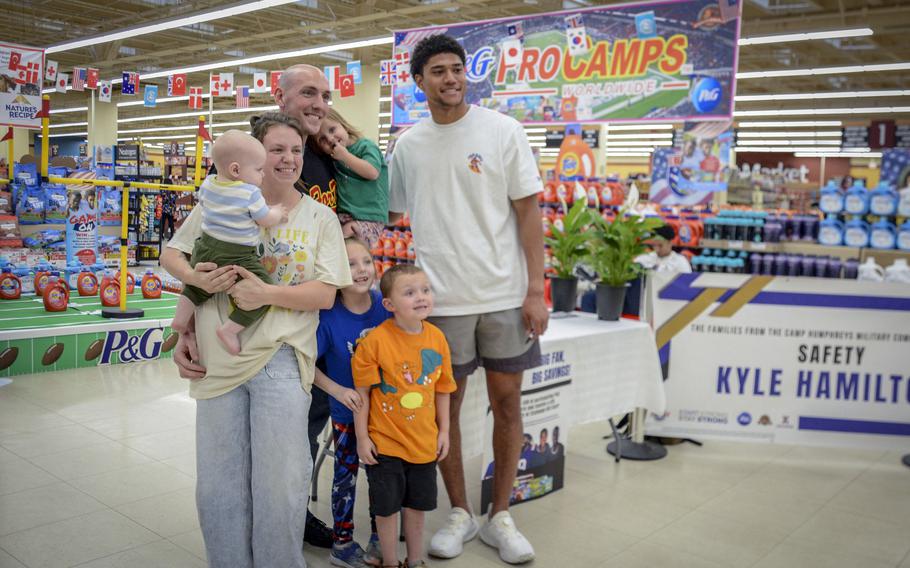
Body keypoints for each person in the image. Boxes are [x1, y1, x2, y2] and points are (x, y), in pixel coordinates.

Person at [160, 112, 352, 568]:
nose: (287, 159)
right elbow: (174, 253)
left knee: (281, 482)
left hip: (282, 360)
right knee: (219, 481)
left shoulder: (319, 217)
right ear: (251, 157)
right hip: (216, 362)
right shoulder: (216, 203)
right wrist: (193, 284)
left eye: (296, 150)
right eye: (276, 149)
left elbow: (325, 294)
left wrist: (265, 292)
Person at [388, 34, 549, 565]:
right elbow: (387, 214)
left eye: (457, 69)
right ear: (419, 81)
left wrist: (534, 288)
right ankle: (460, 511)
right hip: (439, 303)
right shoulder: (408, 146)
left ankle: (500, 513)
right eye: (438, 71)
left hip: (504, 295)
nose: (451, 78)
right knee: (445, 411)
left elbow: (529, 213)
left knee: (507, 405)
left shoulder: (503, 131)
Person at [273, 64, 342, 547]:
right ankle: (279, 515)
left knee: (312, 414)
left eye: (324, 94)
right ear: (281, 98)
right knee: (283, 423)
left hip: (321, 311)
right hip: (275, 319)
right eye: (307, 93)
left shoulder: (324, 155)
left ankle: (294, 512)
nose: (318, 102)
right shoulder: (264, 152)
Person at [352, 264, 456, 568]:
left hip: (424, 443)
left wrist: (445, 431)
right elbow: (362, 395)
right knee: (385, 510)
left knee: (417, 507)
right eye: (410, 292)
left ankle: (415, 559)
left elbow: (443, 389)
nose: (421, 297)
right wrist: (362, 438)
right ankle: (390, 561)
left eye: (425, 290)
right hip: (385, 445)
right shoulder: (374, 342)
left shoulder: (437, 339)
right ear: (389, 304)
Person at [171, 131, 288, 355]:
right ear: (236, 170)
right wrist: (277, 213)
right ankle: (230, 330)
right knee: (262, 290)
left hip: (205, 246)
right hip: (237, 253)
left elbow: (204, 207)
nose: (262, 175)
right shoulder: (250, 193)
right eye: (258, 169)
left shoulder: (208, 184)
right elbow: (264, 219)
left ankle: (180, 318)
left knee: (197, 287)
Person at [315, 237, 391, 568]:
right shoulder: (327, 315)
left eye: (365, 261)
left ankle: (380, 536)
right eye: (350, 264)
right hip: (347, 414)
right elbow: (307, 365)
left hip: (386, 417)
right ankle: (342, 543)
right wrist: (337, 390)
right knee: (345, 476)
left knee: (383, 478)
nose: (360, 270)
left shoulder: (385, 306)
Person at [311, 109, 389, 249]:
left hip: (369, 217)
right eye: (322, 139)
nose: (330, 139)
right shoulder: (333, 158)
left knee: (344, 243)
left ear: (344, 125)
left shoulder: (365, 146)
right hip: (345, 216)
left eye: (332, 129)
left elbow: (372, 172)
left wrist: (345, 156)